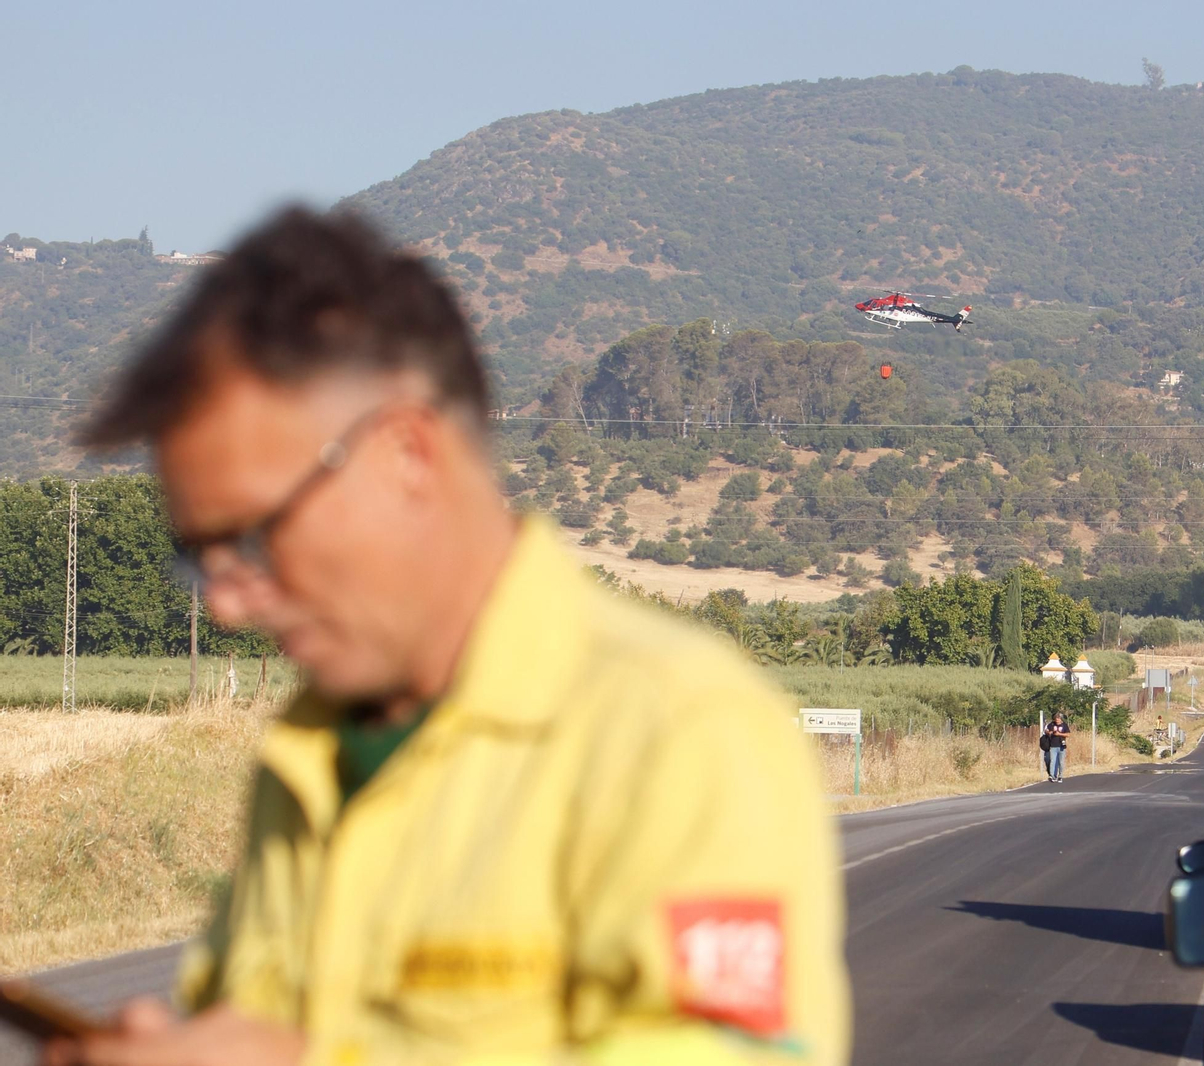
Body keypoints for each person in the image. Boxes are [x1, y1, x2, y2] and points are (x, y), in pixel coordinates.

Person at [48, 208, 849, 1066]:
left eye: (250, 540)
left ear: (405, 454)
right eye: (197, 558)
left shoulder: (676, 733)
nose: (228, 606)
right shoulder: (308, 754)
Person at [1043, 713, 1070, 783]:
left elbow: (1068, 734)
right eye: (1056, 719)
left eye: (1058, 719)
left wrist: (1059, 734)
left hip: (1062, 746)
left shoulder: (1064, 725)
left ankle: (1060, 776)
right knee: (1053, 761)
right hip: (1053, 746)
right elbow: (1046, 730)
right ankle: (1052, 776)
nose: (1057, 721)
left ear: (1061, 719)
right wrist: (1049, 732)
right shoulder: (1051, 724)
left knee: (1061, 762)